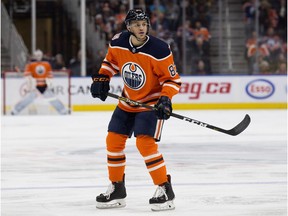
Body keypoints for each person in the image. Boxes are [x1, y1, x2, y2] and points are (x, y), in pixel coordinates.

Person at [90, 8, 181, 211]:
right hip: (127, 101)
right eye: (137, 25)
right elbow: (110, 63)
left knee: (145, 145)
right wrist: (102, 77)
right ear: (129, 27)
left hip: (150, 104)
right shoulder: (118, 41)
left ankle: (165, 189)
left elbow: (172, 80)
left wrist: (165, 99)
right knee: (113, 141)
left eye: (144, 24)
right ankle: (117, 189)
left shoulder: (159, 49)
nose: (142, 28)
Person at [11, 49, 68, 115]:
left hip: (44, 85)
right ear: (34, 56)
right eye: (37, 55)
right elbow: (27, 76)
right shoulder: (30, 65)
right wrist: (30, 85)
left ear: (42, 55)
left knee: (52, 99)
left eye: (39, 55)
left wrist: (49, 84)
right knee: (27, 100)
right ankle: (15, 110)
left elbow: (49, 75)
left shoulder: (46, 64)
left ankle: (63, 111)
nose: (38, 56)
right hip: (35, 86)